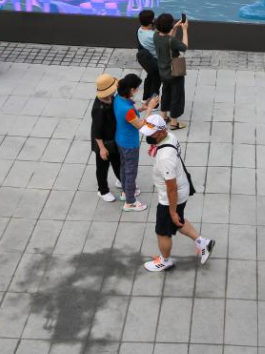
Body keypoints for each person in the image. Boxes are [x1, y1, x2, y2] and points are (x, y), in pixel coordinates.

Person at [140, 114, 215, 272]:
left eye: (150, 134)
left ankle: (165, 261)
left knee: (163, 232)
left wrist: (172, 211)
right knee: (177, 221)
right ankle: (203, 242)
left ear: (160, 132)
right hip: (183, 188)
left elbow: (171, 187)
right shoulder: (171, 137)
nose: (147, 137)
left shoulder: (165, 157)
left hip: (171, 198)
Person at [114, 73, 159, 212]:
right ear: (132, 90)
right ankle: (130, 202)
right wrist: (150, 109)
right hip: (129, 144)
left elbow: (131, 114)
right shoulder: (127, 110)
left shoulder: (118, 99)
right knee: (130, 171)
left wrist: (142, 108)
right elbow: (141, 126)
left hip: (120, 139)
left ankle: (125, 192)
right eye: (137, 88)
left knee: (123, 166)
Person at [153, 13, 187, 130]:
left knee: (166, 92)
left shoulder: (156, 36)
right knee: (177, 96)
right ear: (169, 26)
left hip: (163, 72)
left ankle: (163, 117)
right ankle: (174, 123)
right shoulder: (171, 41)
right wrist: (185, 29)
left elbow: (168, 39)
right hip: (174, 73)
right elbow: (184, 46)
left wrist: (175, 27)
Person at [91, 73, 121, 202]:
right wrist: (102, 148)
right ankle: (102, 190)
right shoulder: (98, 108)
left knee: (117, 161)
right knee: (102, 166)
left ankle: (121, 180)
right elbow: (96, 132)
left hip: (113, 138)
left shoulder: (111, 98)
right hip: (102, 142)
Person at [136, 10, 161, 110]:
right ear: (151, 22)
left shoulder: (139, 30)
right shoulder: (152, 36)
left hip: (146, 61)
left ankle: (145, 98)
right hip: (155, 62)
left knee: (149, 78)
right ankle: (153, 104)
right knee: (156, 82)